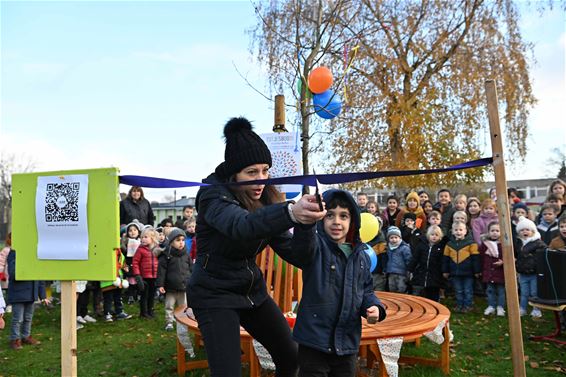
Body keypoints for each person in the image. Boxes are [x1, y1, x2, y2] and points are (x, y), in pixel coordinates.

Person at [186, 117, 325, 377]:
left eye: (265, 170)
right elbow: (242, 226)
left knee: (292, 357)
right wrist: (290, 213)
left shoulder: (269, 198)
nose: (261, 179)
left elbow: (299, 255)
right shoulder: (213, 197)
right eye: (251, 173)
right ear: (234, 174)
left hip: (252, 291)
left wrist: (306, 223)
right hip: (213, 295)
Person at [290, 189, 386, 376]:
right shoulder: (316, 248)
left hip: (347, 342)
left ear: (353, 222)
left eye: (344, 216)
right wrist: (307, 222)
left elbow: (366, 290)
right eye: (330, 216)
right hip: (314, 341)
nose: (336, 222)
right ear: (321, 219)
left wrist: (375, 307)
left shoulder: (361, 257)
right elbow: (302, 246)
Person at [7, 247, 50, 349]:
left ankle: (26, 336)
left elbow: (39, 276)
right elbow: (13, 273)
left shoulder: (35, 252)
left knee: (28, 317)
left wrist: (42, 296)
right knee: (18, 318)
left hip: (31, 293)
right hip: (18, 293)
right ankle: (15, 339)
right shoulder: (14, 253)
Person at [156, 227, 192, 331]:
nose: (181, 243)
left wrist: (192, 281)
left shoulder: (186, 254)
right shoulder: (166, 255)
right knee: (169, 306)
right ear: (171, 242)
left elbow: (191, 268)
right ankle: (169, 322)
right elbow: (161, 272)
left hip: (184, 286)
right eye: (178, 240)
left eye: (182, 240)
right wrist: (160, 285)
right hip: (170, 288)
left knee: (184, 307)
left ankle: (184, 322)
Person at [442, 221, 480, 313]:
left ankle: (468, 305)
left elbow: (475, 258)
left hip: (468, 273)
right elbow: (445, 259)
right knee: (458, 290)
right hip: (455, 272)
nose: (458, 232)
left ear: (465, 231)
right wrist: (445, 271)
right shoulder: (449, 244)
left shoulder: (471, 243)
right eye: (456, 230)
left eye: (460, 230)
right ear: (452, 232)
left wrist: (477, 271)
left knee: (468, 290)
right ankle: (459, 305)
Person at [515, 216, 546, 318]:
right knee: (524, 292)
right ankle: (522, 308)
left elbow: (543, 255)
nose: (525, 232)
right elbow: (515, 254)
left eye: (527, 229)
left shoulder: (538, 243)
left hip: (534, 273)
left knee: (534, 292)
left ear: (532, 231)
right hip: (523, 273)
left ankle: (536, 309)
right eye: (522, 230)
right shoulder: (518, 243)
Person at [408, 225, 446, 302]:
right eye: (432, 235)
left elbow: (443, 260)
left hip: (435, 273)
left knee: (434, 291)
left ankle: (435, 305)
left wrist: (444, 271)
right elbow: (415, 258)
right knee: (422, 291)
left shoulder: (441, 247)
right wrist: (410, 269)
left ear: (440, 236)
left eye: (436, 235)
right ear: (428, 235)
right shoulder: (422, 245)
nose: (434, 237)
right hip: (422, 271)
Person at [133, 228, 162, 319]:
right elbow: (135, 262)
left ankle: (150, 311)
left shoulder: (157, 249)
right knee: (144, 295)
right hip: (144, 277)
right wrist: (138, 276)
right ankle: (143, 313)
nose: (143, 239)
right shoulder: (140, 250)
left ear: (152, 238)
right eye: (142, 237)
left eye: (145, 237)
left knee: (152, 295)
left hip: (154, 277)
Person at [479, 222, 505, 317]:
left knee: (501, 291)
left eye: (497, 231)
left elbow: (508, 257)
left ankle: (500, 307)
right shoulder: (485, 245)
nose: (495, 233)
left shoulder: (503, 245)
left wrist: (503, 262)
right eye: (492, 231)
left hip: (500, 272)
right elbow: (481, 258)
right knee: (490, 290)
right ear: (488, 232)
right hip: (489, 272)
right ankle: (491, 306)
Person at [385, 226, 412, 293]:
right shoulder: (388, 248)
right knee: (392, 288)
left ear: (400, 238)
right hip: (391, 272)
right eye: (391, 238)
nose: (394, 240)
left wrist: (409, 272)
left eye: (396, 237)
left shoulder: (404, 248)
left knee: (401, 289)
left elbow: (409, 260)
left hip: (401, 273)